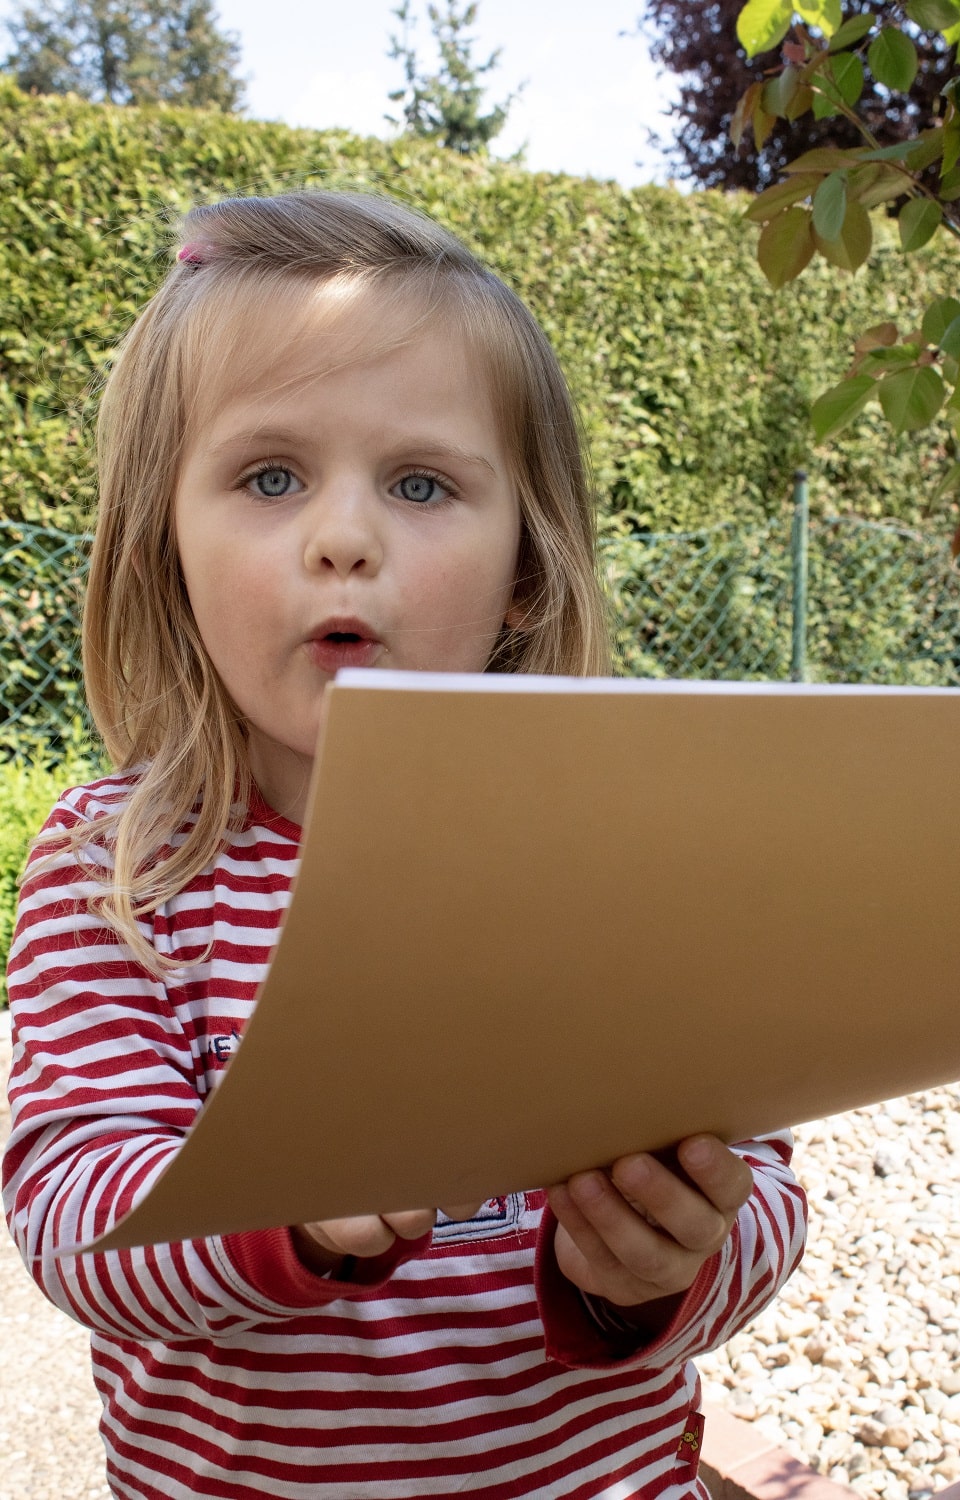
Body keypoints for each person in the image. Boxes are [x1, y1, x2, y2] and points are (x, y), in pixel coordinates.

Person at [3, 190, 807, 1500]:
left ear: (526, 572)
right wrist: (292, 1205)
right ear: (166, 549)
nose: (343, 537)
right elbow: (76, 1232)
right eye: (269, 476)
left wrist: (673, 1263)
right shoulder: (117, 876)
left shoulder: (625, 864)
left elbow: (764, 1190)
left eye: (422, 482)